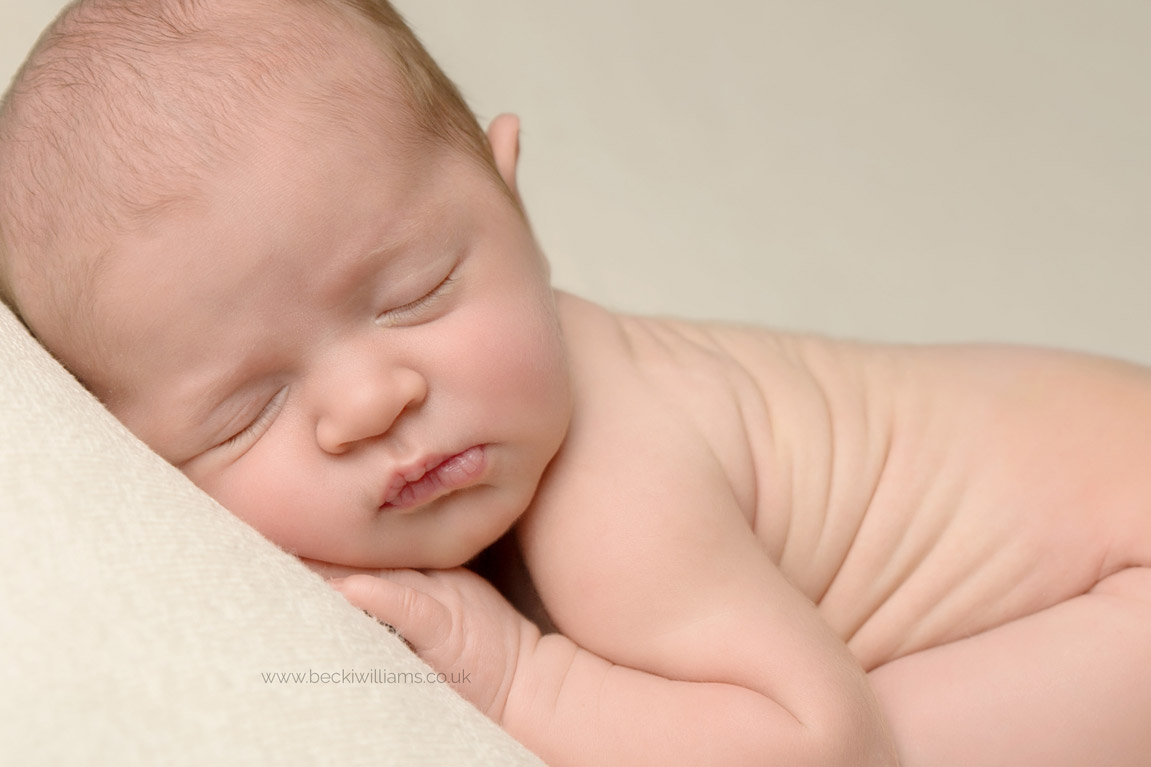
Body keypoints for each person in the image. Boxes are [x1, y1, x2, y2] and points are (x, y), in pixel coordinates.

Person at [2, 1, 1150, 765]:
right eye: (248, 408)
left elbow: (816, 743)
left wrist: (518, 677)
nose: (371, 401)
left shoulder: (611, 481)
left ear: (514, 198)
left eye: (414, 291)